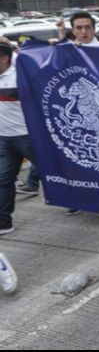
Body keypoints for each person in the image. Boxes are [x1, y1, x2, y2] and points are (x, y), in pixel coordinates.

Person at [0, 42, 35, 236]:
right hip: (3, 140)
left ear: (5, 58)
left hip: (27, 138)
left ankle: (91, 201)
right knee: (3, 181)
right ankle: (4, 222)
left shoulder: (19, 78)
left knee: (55, 172)